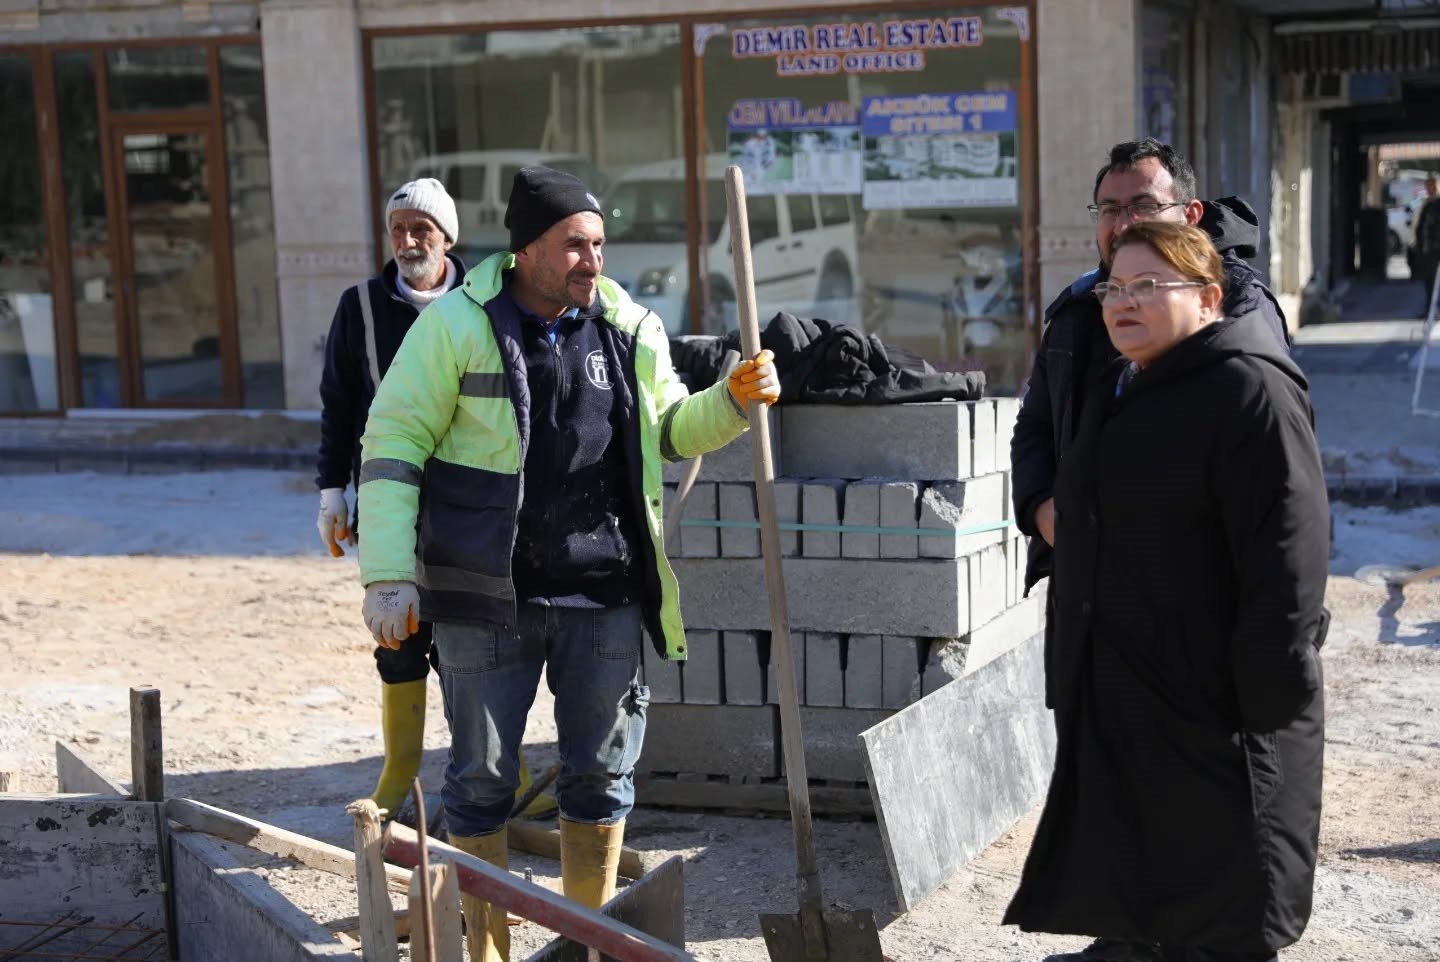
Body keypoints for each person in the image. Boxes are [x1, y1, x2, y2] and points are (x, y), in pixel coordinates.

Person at [355, 165, 779, 961]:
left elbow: (668, 432)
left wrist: (730, 401)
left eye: (598, 245)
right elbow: (392, 444)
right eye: (576, 245)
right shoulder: (456, 325)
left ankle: (588, 943)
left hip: (604, 589)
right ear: (526, 251)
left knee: (602, 780)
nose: (593, 261)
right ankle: (486, 949)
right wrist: (386, 573)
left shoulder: (625, 327)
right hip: (487, 598)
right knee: (480, 784)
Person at [1003, 221, 1329, 962]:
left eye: (1150, 286)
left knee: (1223, 910)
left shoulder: (1249, 389)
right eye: (1117, 286)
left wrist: (1258, 711)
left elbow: (1288, 566)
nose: (1124, 302)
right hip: (1134, 697)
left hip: (1218, 715)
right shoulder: (1129, 382)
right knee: (1147, 882)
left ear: (1210, 297)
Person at [315, 177, 551, 824]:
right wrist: (332, 490)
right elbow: (339, 403)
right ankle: (399, 772)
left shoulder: (489, 301)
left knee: (480, 633)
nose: (409, 241)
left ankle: (512, 766)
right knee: (399, 632)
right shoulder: (360, 308)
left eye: (422, 229)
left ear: (448, 237)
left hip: (473, 502)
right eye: (398, 230)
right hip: (391, 501)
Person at [1411, 175, 1440, 312]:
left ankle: (1435, 308)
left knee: (1436, 281)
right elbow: (1421, 227)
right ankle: (1430, 308)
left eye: (1431, 186)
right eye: (1427, 187)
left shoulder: (1437, 205)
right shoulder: (1426, 205)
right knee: (1429, 280)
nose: (1429, 189)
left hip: (1436, 249)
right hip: (1427, 250)